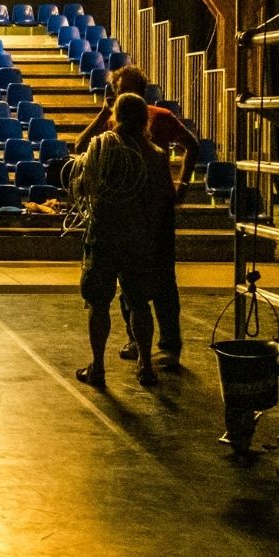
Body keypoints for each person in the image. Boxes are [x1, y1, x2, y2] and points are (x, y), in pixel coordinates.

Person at [75, 64, 197, 369]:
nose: (121, 94)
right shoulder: (112, 125)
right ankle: (138, 344)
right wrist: (104, 115)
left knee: (162, 281)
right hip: (129, 216)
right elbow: (81, 147)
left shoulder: (159, 120)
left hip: (152, 214)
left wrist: (182, 184)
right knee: (133, 289)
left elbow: (192, 145)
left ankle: (167, 346)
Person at [72, 93, 176, 388]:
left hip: (105, 234)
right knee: (140, 303)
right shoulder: (155, 155)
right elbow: (163, 198)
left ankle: (99, 367)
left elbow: (79, 150)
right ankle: (145, 366)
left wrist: (100, 116)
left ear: (115, 117)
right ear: (146, 120)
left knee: (99, 303)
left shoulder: (103, 147)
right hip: (139, 237)